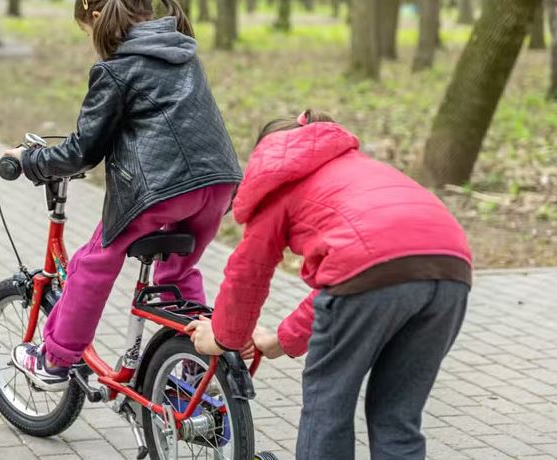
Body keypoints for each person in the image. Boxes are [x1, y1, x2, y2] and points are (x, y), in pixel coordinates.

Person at [187, 110, 472, 460]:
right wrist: (279, 342)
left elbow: (249, 273)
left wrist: (221, 337)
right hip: (452, 269)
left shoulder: (280, 181)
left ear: (268, 150)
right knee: (397, 416)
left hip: (368, 276)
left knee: (328, 405)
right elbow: (341, 283)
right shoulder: (360, 170)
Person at [3, 0, 243, 391]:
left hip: (161, 191)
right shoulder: (183, 51)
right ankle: (195, 372)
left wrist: (31, 161)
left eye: (86, 31)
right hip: (218, 184)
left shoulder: (114, 69)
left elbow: (83, 151)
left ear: (96, 19)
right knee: (177, 271)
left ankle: (55, 360)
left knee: (92, 261)